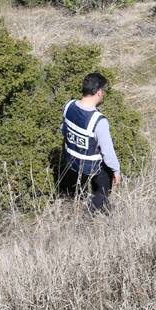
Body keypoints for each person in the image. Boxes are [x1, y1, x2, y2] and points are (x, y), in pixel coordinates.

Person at [60, 72, 122, 212]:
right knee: (104, 183)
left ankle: (78, 201)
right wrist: (116, 170)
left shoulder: (68, 105)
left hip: (70, 161)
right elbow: (107, 152)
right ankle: (93, 212)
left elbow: (63, 129)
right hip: (91, 166)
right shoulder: (99, 121)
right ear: (99, 92)